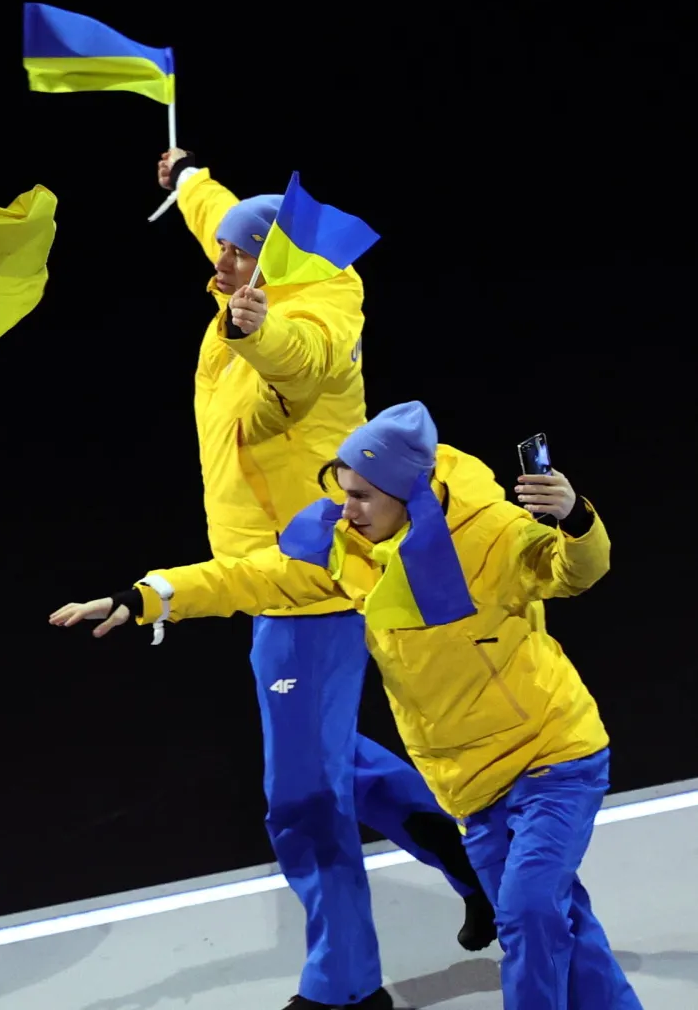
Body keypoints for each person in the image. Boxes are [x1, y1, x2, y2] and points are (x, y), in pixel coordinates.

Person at [52, 401, 641, 1010]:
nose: (346, 507)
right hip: (470, 783)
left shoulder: (488, 534)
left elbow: (574, 572)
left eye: (361, 495)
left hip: (552, 758)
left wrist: (575, 518)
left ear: (405, 492)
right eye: (342, 490)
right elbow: (251, 578)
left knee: (527, 915)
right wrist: (149, 596)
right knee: (563, 920)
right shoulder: (347, 548)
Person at [140, 150, 491, 1010]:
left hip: (315, 580)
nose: (220, 265)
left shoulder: (318, 308)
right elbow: (226, 223)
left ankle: (344, 988)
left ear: (275, 261)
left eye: (237, 254)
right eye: (218, 252)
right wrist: (189, 182)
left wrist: (254, 330)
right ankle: (473, 860)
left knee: (298, 793)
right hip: (267, 573)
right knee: (326, 756)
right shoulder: (247, 270)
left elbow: (302, 359)